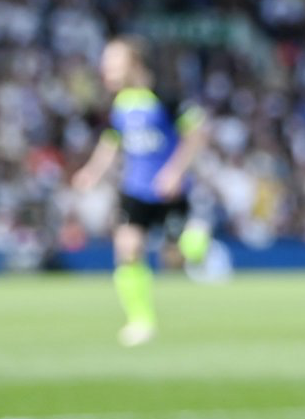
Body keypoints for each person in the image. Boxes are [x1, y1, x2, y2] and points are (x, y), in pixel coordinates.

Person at [69, 37, 209, 346]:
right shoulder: (119, 103)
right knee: (128, 250)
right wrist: (92, 171)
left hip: (168, 190)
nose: (106, 69)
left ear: (135, 64)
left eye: (113, 61)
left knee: (177, 259)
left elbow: (198, 134)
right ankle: (140, 321)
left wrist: (174, 171)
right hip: (134, 188)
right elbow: (112, 141)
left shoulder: (165, 97)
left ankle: (196, 237)